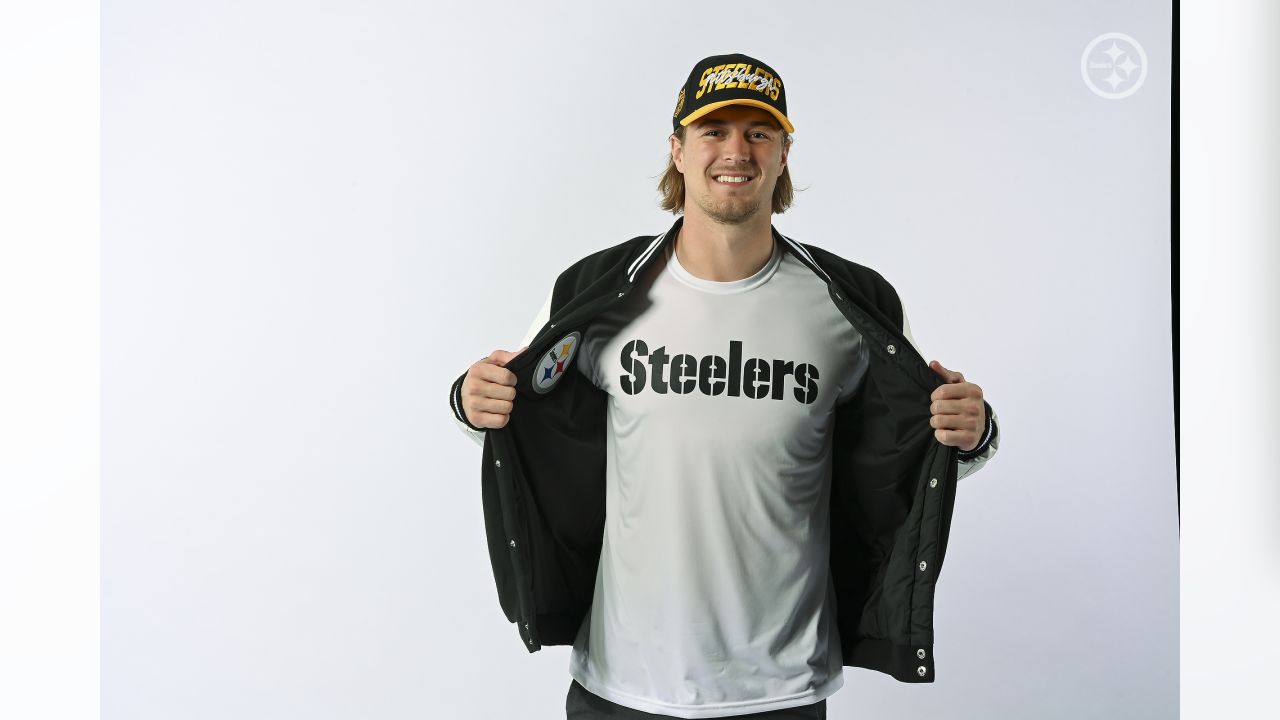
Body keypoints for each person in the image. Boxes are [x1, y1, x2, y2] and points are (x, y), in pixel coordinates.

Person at [447, 53, 1000, 720]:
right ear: (677, 149)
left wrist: (975, 430)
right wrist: (469, 398)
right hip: (623, 684)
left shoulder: (853, 304)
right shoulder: (598, 289)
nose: (736, 150)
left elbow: (923, 447)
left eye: (759, 132)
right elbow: (511, 409)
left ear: (784, 152)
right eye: (713, 130)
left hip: (782, 690)